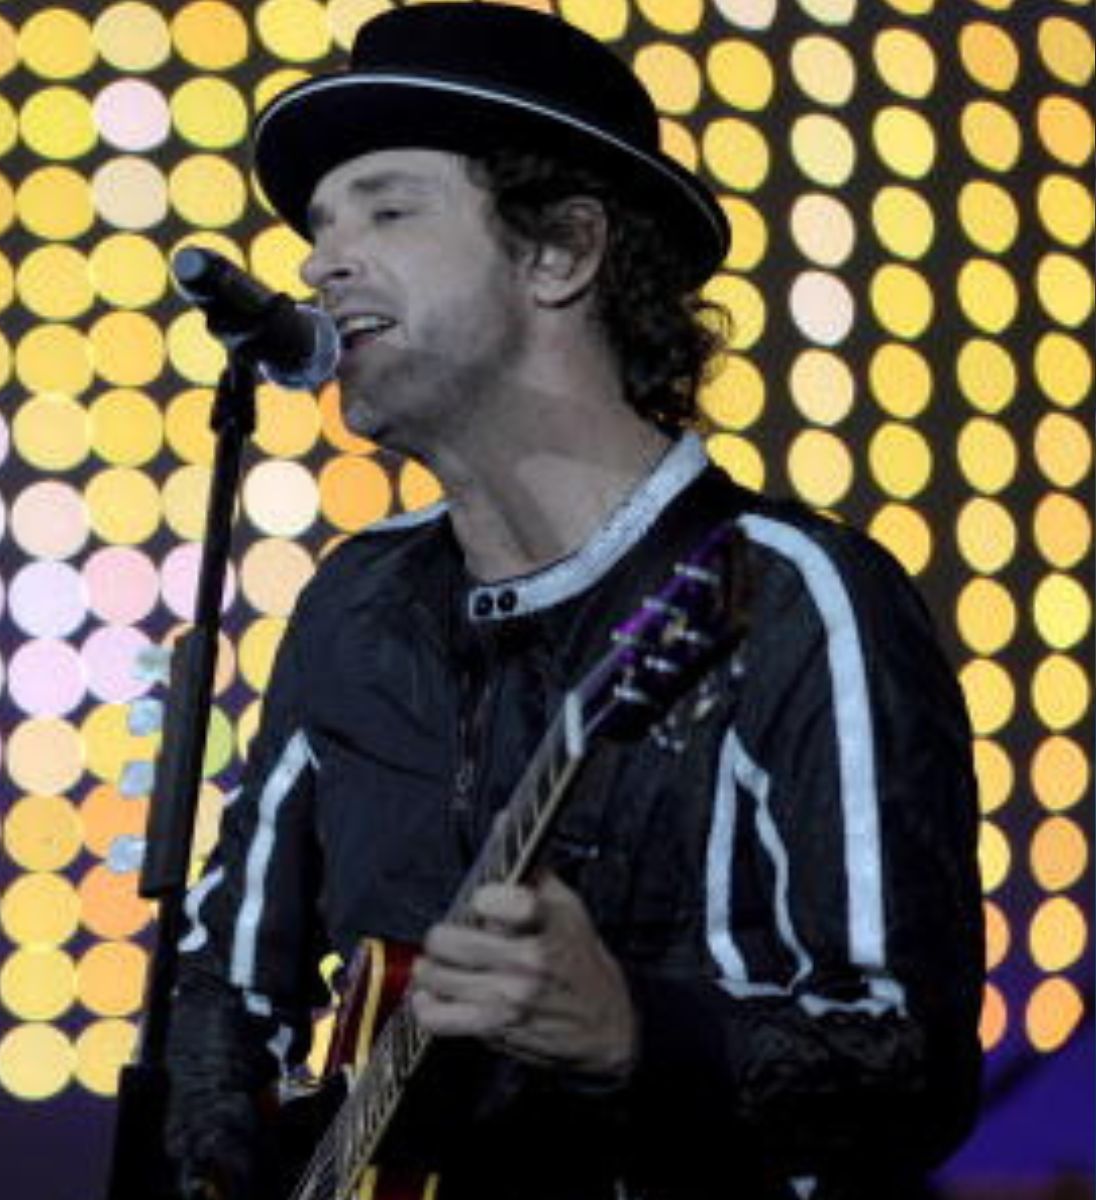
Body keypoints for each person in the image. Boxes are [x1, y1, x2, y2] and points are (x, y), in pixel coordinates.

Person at [161, 7, 983, 1199]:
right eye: (320, 228)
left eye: (388, 210)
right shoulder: (353, 608)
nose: (320, 262)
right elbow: (225, 991)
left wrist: (639, 1032)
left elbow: (913, 1070)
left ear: (562, 252)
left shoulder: (790, 598)